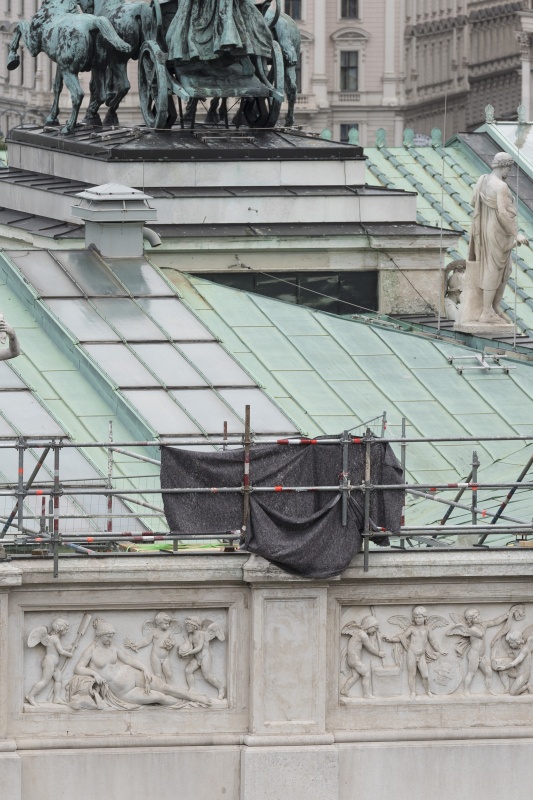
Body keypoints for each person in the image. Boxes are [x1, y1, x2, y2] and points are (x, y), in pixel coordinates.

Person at [67, 618, 210, 710]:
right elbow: (78, 667)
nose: (110, 639)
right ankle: (187, 704)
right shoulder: (91, 650)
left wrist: (145, 669)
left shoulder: (113, 647)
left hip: (133, 675)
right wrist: (94, 673)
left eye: (112, 636)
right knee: (160, 698)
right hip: (123, 691)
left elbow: (129, 659)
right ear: (100, 635)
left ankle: (194, 697)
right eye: (108, 637)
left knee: (165, 687)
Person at [468, 152, 529, 324]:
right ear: (503, 166)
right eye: (509, 167)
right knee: (493, 268)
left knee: (505, 269)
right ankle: (486, 311)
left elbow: (474, 202)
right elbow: (503, 212)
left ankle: (494, 307)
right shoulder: (501, 186)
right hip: (498, 230)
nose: (509, 171)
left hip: (488, 228)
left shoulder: (483, 179)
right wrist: (516, 234)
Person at [383, 606, 447, 700]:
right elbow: (402, 637)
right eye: (416, 617)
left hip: (421, 655)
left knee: (425, 675)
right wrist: (391, 639)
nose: (418, 619)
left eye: (420, 617)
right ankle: (413, 692)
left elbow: (433, 641)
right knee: (412, 674)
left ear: (425, 618)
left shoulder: (427, 629)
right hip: (411, 654)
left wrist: (440, 650)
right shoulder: (412, 628)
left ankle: (428, 691)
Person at [447, 607, 510, 695]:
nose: (478, 618)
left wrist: (506, 615)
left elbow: (494, 622)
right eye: (475, 617)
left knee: (488, 673)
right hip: (474, 655)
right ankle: (465, 690)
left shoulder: (482, 624)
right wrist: (483, 626)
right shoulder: (472, 629)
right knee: (471, 673)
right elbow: (480, 635)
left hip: (481, 656)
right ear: (471, 620)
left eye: (478, 615)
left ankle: (489, 690)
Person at [25, 617, 73, 705]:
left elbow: (60, 648)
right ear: (60, 629)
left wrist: (70, 647)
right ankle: (30, 695)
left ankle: (56, 698)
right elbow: (61, 651)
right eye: (65, 629)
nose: (67, 631)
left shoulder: (53, 638)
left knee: (58, 680)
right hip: (49, 663)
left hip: (53, 664)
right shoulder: (55, 639)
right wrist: (69, 654)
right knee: (44, 681)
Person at [178, 616, 226, 700]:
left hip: (204, 657)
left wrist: (189, 652)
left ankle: (220, 687)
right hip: (197, 658)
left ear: (194, 626)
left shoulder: (202, 634)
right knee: (188, 671)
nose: (187, 627)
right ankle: (192, 689)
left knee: (207, 676)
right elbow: (189, 645)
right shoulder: (191, 635)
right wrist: (182, 649)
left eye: (188, 626)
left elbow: (199, 647)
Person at [123, 611, 177, 682]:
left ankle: (172, 689)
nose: (167, 625)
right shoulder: (154, 632)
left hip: (165, 657)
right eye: (165, 623)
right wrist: (137, 645)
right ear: (159, 623)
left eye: (168, 623)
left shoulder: (169, 632)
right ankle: (161, 691)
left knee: (169, 674)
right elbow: (146, 641)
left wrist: (171, 643)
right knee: (158, 675)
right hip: (156, 656)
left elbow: (173, 641)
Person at [340, 615, 385, 699]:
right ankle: (366, 694)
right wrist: (379, 653)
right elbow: (370, 647)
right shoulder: (363, 635)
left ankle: (344, 689)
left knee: (356, 676)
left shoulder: (359, 633)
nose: (376, 630)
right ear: (369, 626)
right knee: (366, 673)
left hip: (352, 659)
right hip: (354, 659)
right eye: (375, 627)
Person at [495, 629, 533, 696]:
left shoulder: (525, 650)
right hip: (516, 671)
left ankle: (526, 686)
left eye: (511, 643)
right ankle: (506, 688)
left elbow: (516, 662)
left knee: (513, 693)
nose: (510, 645)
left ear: (517, 642)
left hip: (523, 674)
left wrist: (504, 667)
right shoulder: (515, 649)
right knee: (502, 672)